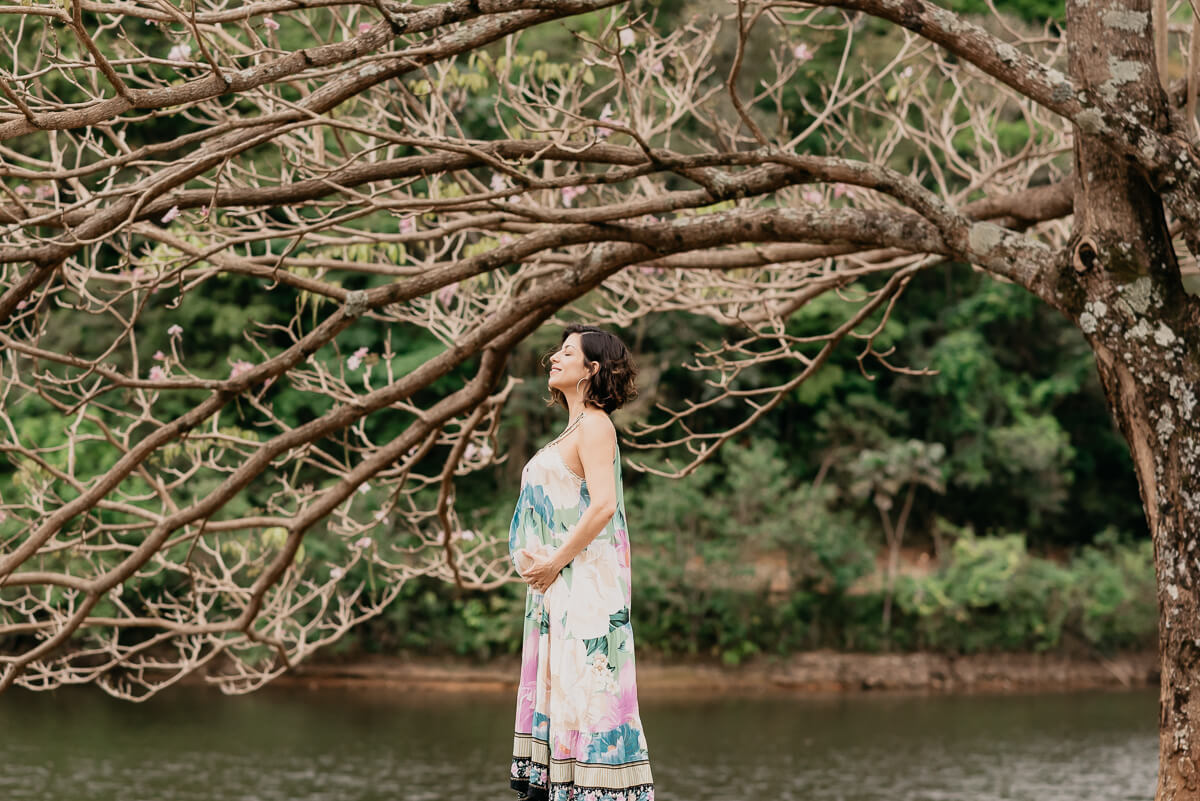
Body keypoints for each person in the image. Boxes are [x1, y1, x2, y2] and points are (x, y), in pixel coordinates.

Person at [507, 324, 654, 801]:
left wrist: (553, 564)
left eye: (566, 352)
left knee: (590, 704)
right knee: (566, 704)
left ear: (591, 369)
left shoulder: (594, 425)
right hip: (559, 594)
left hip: (585, 593)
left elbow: (603, 505)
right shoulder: (572, 429)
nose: (554, 357)